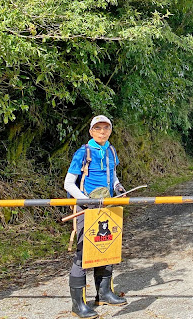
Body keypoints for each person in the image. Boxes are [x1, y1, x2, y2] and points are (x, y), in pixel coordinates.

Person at [64, 115, 128, 318]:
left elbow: (113, 174)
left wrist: (118, 186)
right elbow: (68, 183)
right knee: (83, 254)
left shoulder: (111, 150)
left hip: (107, 206)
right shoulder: (83, 152)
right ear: (91, 131)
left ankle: (104, 294)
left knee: (107, 248)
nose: (102, 131)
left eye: (106, 128)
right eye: (97, 128)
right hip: (86, 208)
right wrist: (85, 200)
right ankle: (78, 305)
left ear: (110, 130)